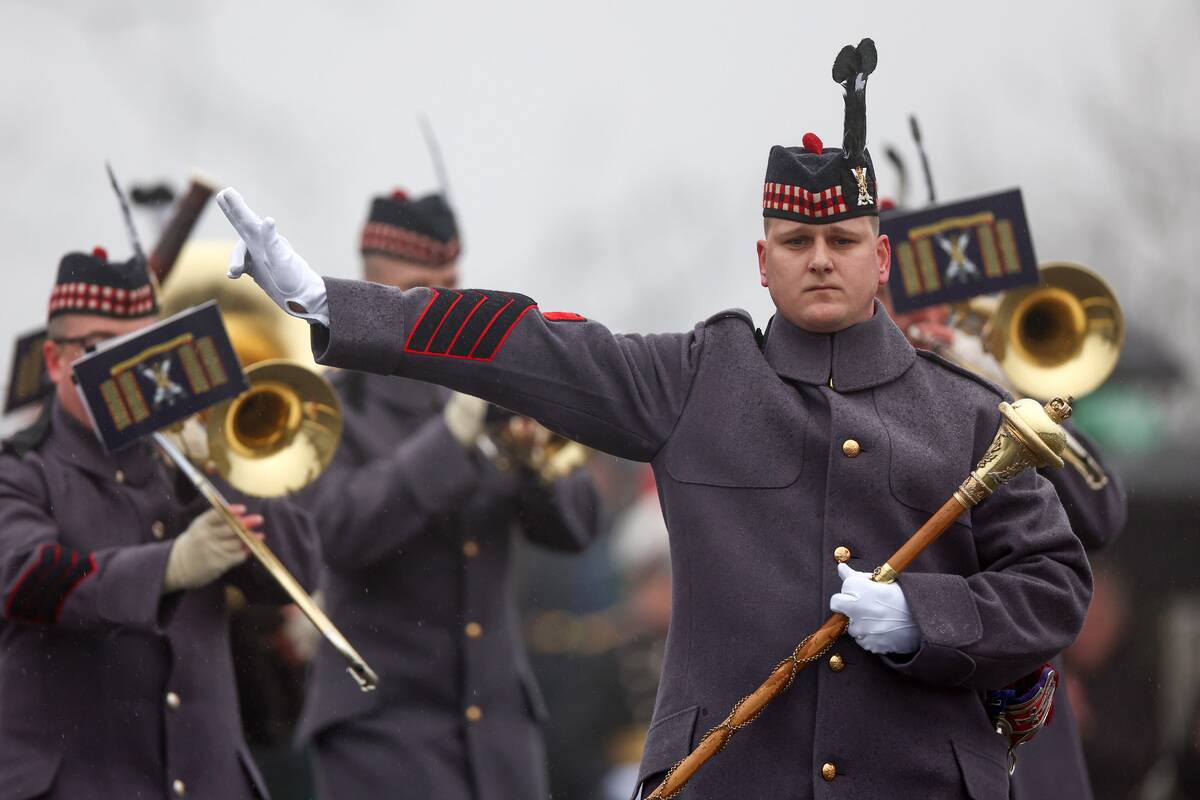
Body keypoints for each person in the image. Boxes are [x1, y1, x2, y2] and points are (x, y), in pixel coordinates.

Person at [219, 38, 1092, 798]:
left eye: (843, 242)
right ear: (762, 260)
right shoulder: (698, 378)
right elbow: (518, 344)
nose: (820, 261)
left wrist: (924, 618)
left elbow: (1054, 584)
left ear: (882, 255)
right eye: (796, 243)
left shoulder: (969, 412)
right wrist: (324, 300)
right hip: (731, 776)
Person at [292, 189, 603, 800]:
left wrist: (537, 454)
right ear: (373, 288)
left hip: (500, 730)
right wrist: (451, 439)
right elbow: (336, 532)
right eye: (419, 286)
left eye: (450, 283)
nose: (441, 303)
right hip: (381, 730)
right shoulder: (329, 406)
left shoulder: (482, 379)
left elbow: (579, 528)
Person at [0, 248, 320, 799]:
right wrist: (168, 567)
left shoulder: (185, 456)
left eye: (143, 349)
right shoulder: (20, 470)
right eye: (101, 349)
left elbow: (299, 569)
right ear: (54, 361)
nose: (128, 372)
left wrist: (219, 468)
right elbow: (28, 580)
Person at [882, 292, 1129, 799]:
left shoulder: (989, 396)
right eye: (904, 299)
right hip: (919, 714)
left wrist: (1011, 395)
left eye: (937, 300)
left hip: (1026, 721)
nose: (929, 316)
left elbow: (1101, 516)